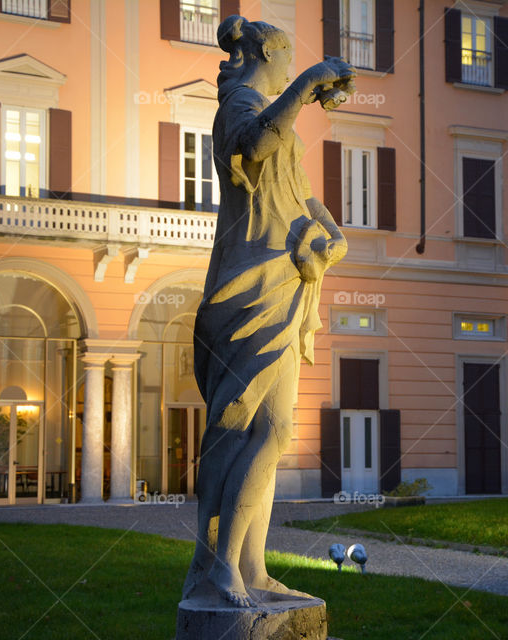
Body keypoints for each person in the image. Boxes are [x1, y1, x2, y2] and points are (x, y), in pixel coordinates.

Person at [181, 15, 353, 608]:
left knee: (275, 430)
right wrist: (307, 85)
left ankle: (250, 565)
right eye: (290, 59)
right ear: (272, 55)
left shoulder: (270, 105)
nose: (292, 67)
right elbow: (255, 145)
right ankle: (220, 567)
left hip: (286, 280)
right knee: (242, 430)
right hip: (247, 284)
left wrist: (333, 231)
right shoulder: (238, 107)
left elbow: (300, 188)